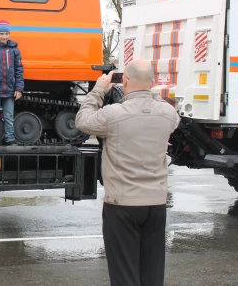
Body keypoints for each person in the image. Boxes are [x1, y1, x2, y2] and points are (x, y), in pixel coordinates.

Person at [75, 59, 180, 286]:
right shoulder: (167, 114)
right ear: (151, 83)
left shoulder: (113, 114)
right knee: (152, 274)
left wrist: (99, 89)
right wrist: (148, 93)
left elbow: (82, 121)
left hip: (121, 204)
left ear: (124, 81)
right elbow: (163, 109)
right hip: (156, 203)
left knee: (124, 275)